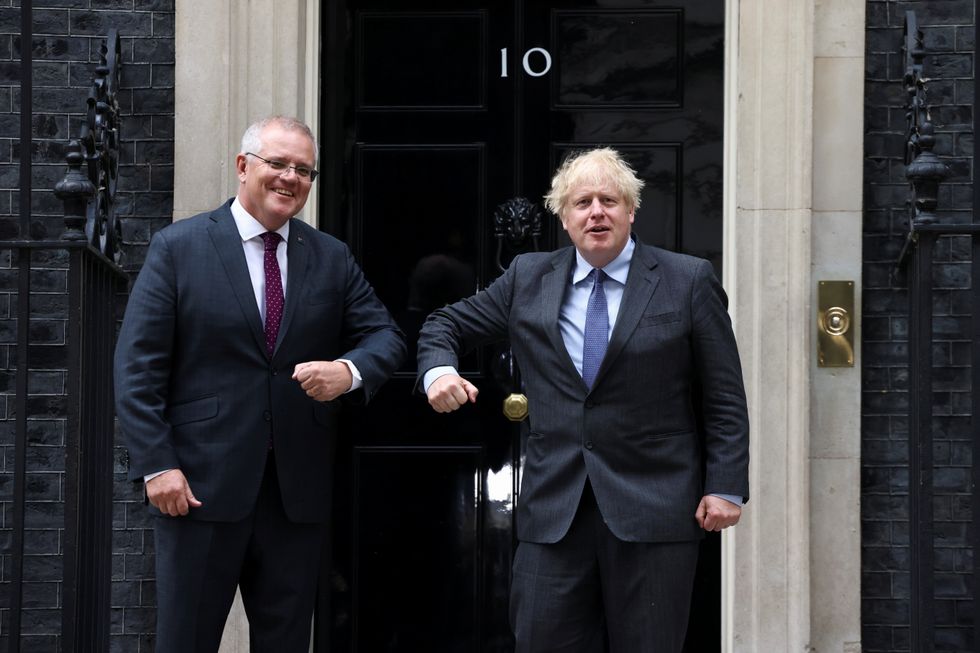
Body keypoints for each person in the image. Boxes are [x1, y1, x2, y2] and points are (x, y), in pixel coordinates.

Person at [417, 148, 749, 652]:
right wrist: (439, 371)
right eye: (582, 202)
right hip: (555, 514)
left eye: (609, 200)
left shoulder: (687, 280)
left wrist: (725, 485)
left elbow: (723, 394)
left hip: (655, 510)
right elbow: (446, 323)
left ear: (631, 211)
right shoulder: (528, 278)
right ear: (564, 217)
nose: (596, 211)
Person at [114, 115, 405, 652]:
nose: (290, 178)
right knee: (185, 640)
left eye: (303, 170)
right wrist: (157, 464)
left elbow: (385, 337)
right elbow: (138, 368)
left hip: (294, 494)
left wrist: (348, 371)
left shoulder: (331, 257)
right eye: (278, 164)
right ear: (244, 166)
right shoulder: (179, 248)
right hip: (198, 488)